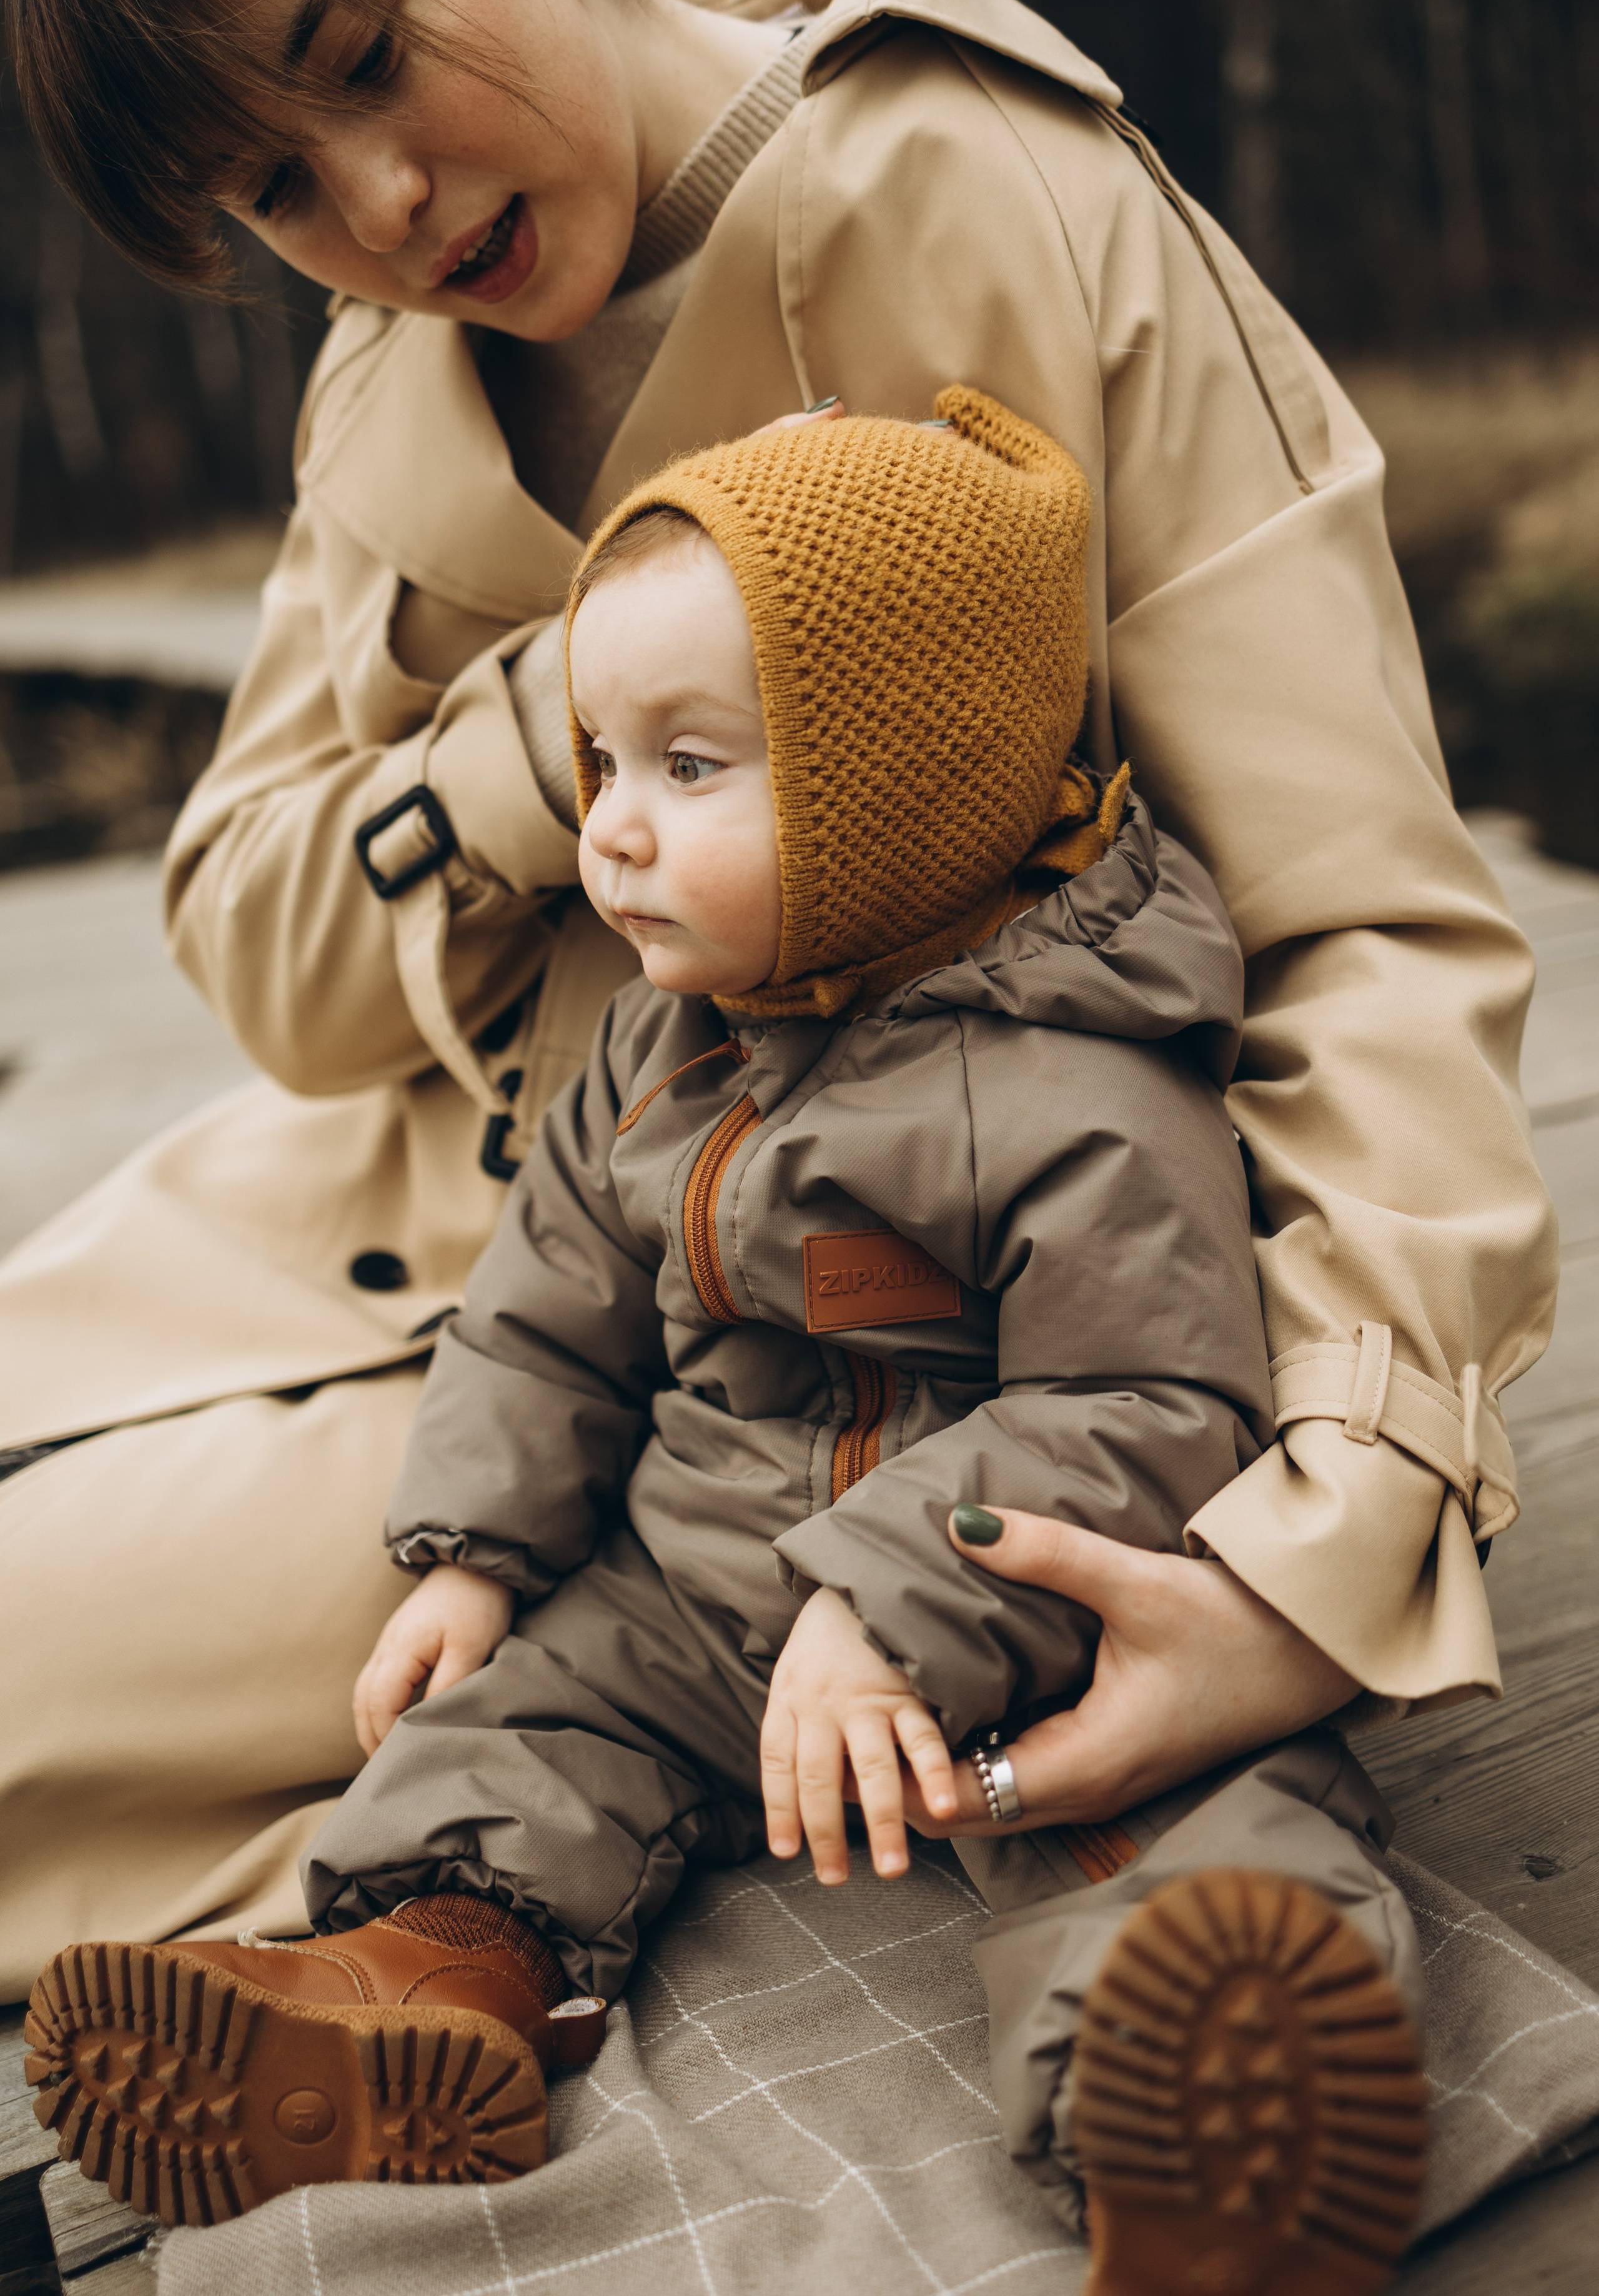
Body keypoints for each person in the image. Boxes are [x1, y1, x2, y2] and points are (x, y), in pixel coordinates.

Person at [0, 0, 1552, 2202]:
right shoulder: (377, 380)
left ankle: (1192, 2107)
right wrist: (558, 735)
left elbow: (1368, 928)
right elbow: (254, 937)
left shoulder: (989, 182)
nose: (386, 211)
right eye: (276, 194)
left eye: (357, 56)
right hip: (476, 1223)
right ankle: (413, 1973)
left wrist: (1310, 1551)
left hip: (946, 1330)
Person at [27, 394, 1430, 2291]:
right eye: (603, 760)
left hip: (1030, 1628)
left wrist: (888, 1601)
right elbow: (545, 1317)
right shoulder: (661, 1044)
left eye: (689, 766)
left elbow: (1154, 1407)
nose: (604, 830)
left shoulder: (1086, 1092)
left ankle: (1196, 2114)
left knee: (1187, 1822)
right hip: (695, 1594)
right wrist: (475, 1552)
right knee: (518, 1732)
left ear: (901, 791)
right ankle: (430, 1982)